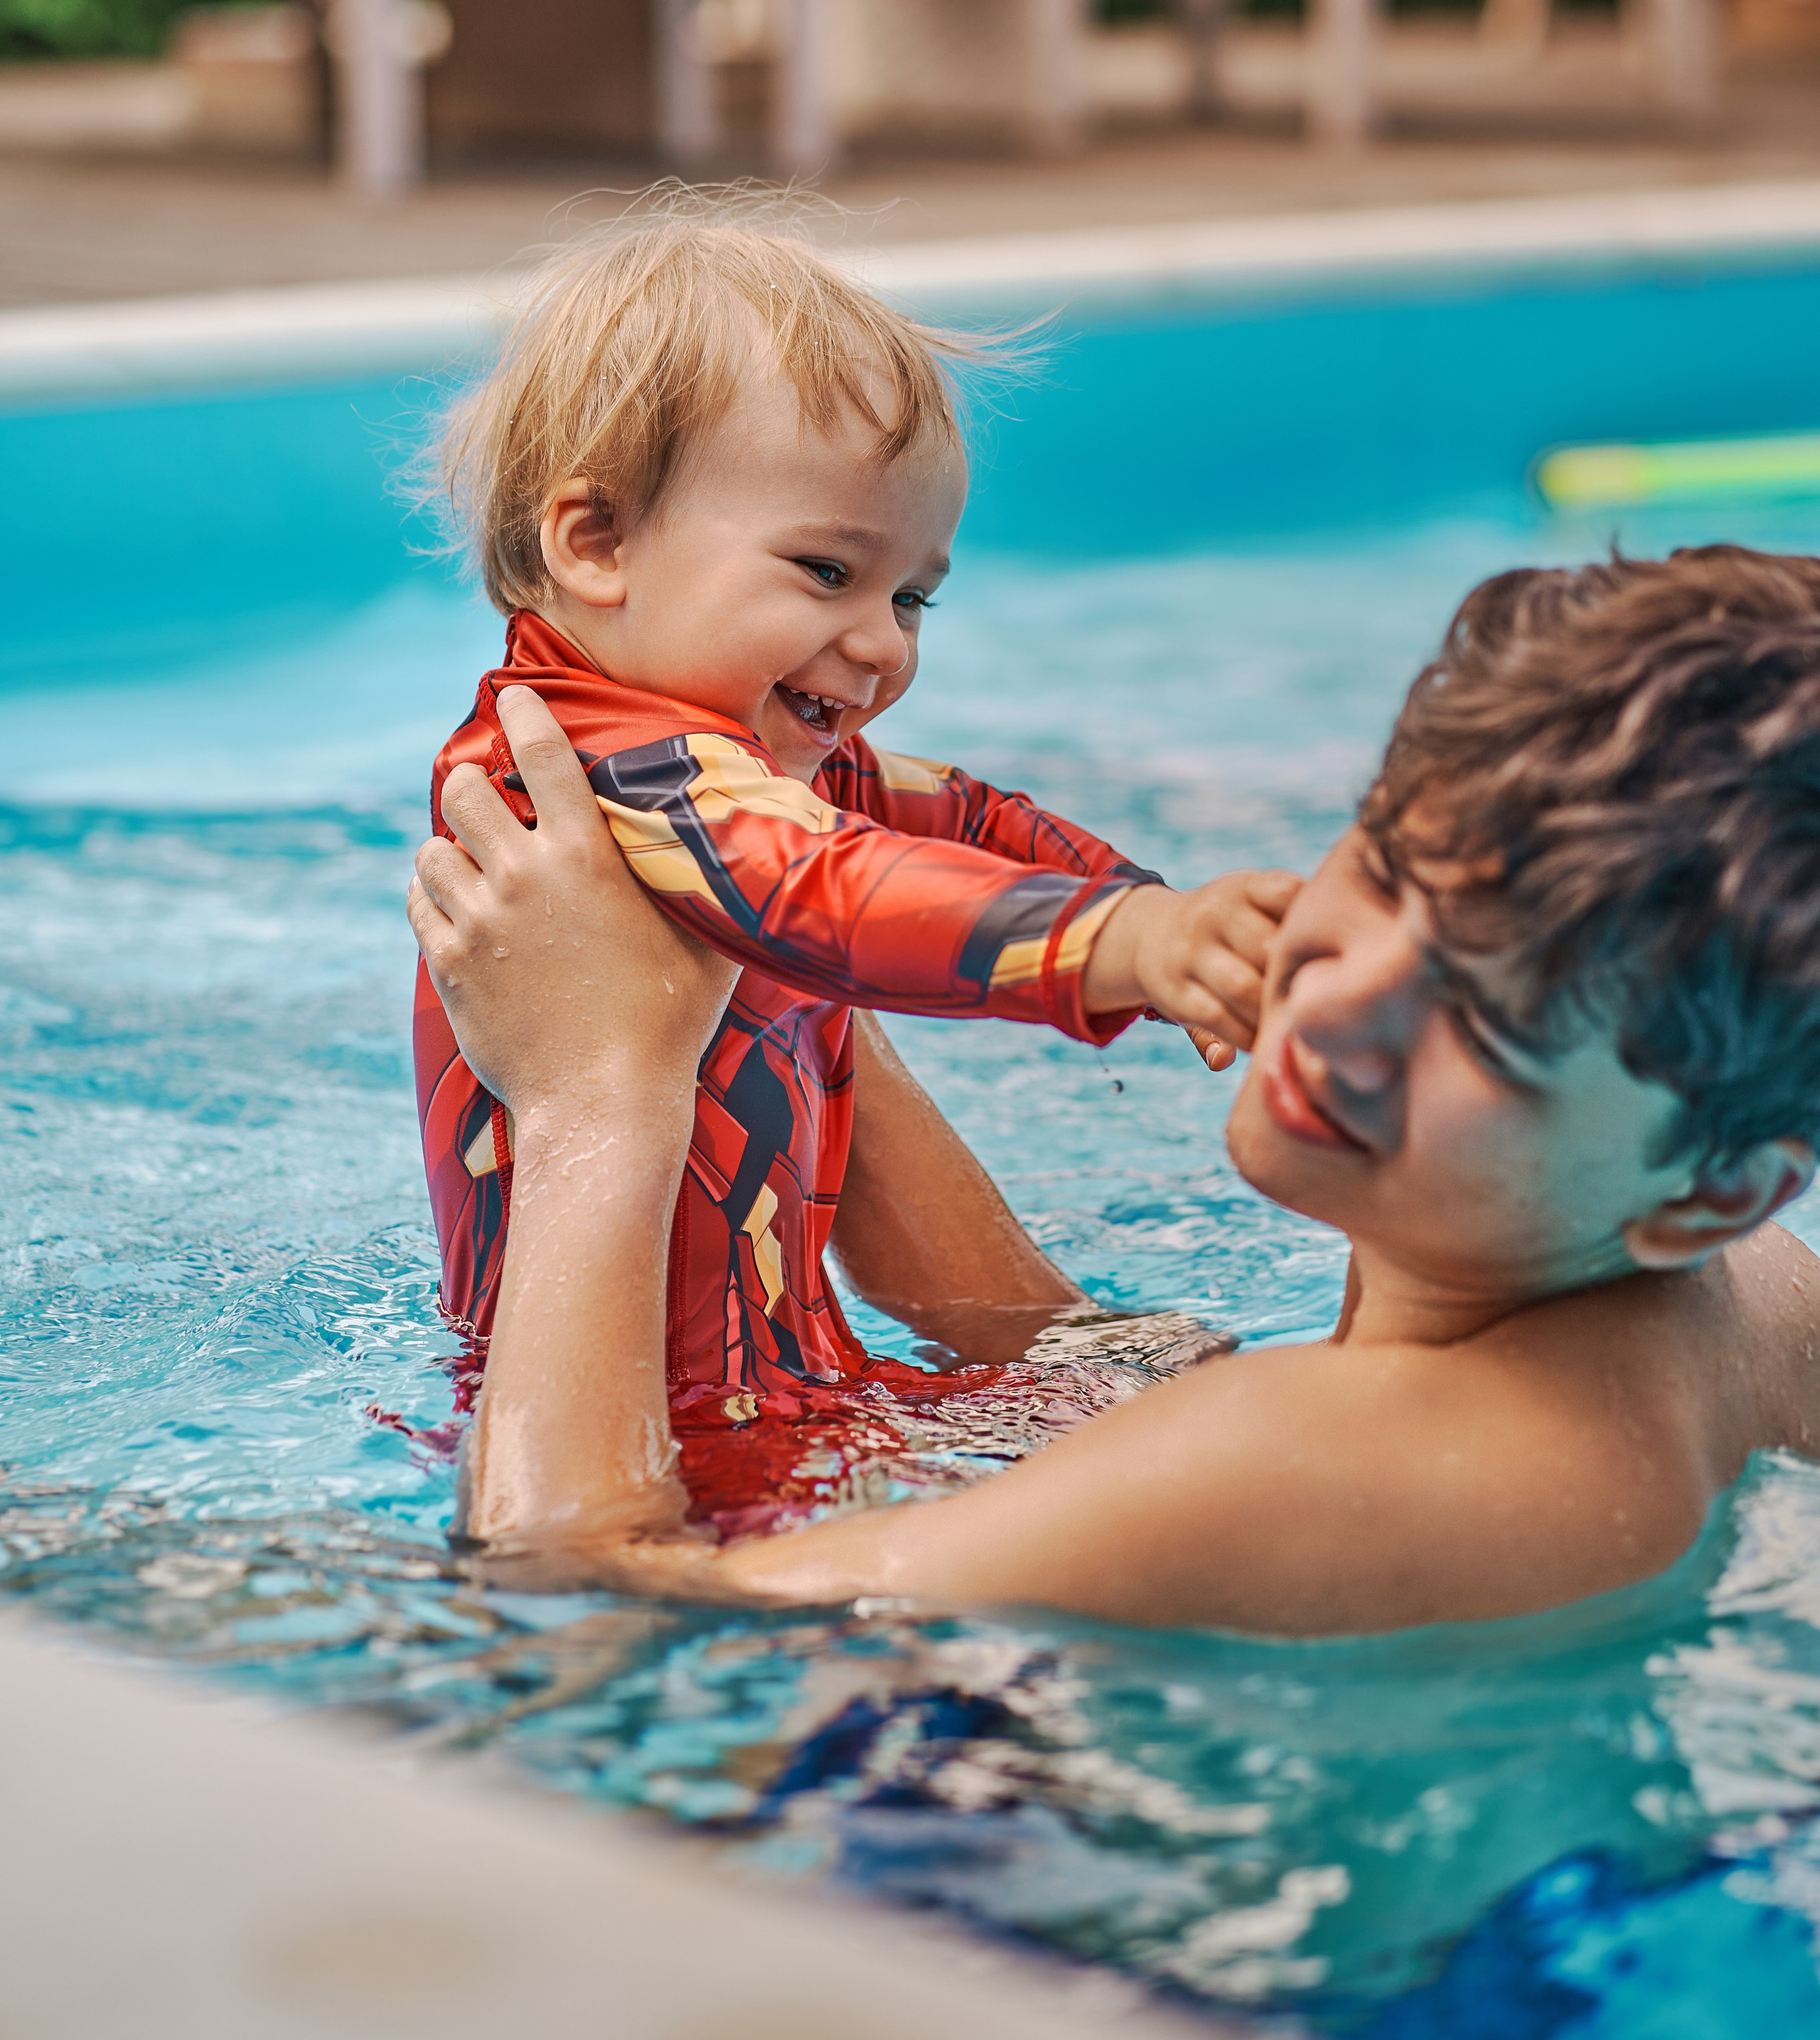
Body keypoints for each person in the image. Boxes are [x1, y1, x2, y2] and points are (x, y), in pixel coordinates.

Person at [410, 545, 1820, 1638]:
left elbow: (578, 1610)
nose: (1343, 1007)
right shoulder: (1746, 1292)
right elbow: (1071, 1363)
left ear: (1708, 1185)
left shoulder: (1284, 1462)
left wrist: (599, 1097)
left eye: (1490, 1029)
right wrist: (752, 936)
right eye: (1387, 872)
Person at [415, 216, 1292, 1473]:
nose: (884, 643)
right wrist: (1127, 945)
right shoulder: (606, 777)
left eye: (911, 595)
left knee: (1190, 1399)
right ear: (595, 543)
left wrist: (1168, 912)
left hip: (778, 1397)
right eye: (828, 571)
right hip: (637, 1444)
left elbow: (962, 815)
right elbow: (831, 888)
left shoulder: (748, 765)